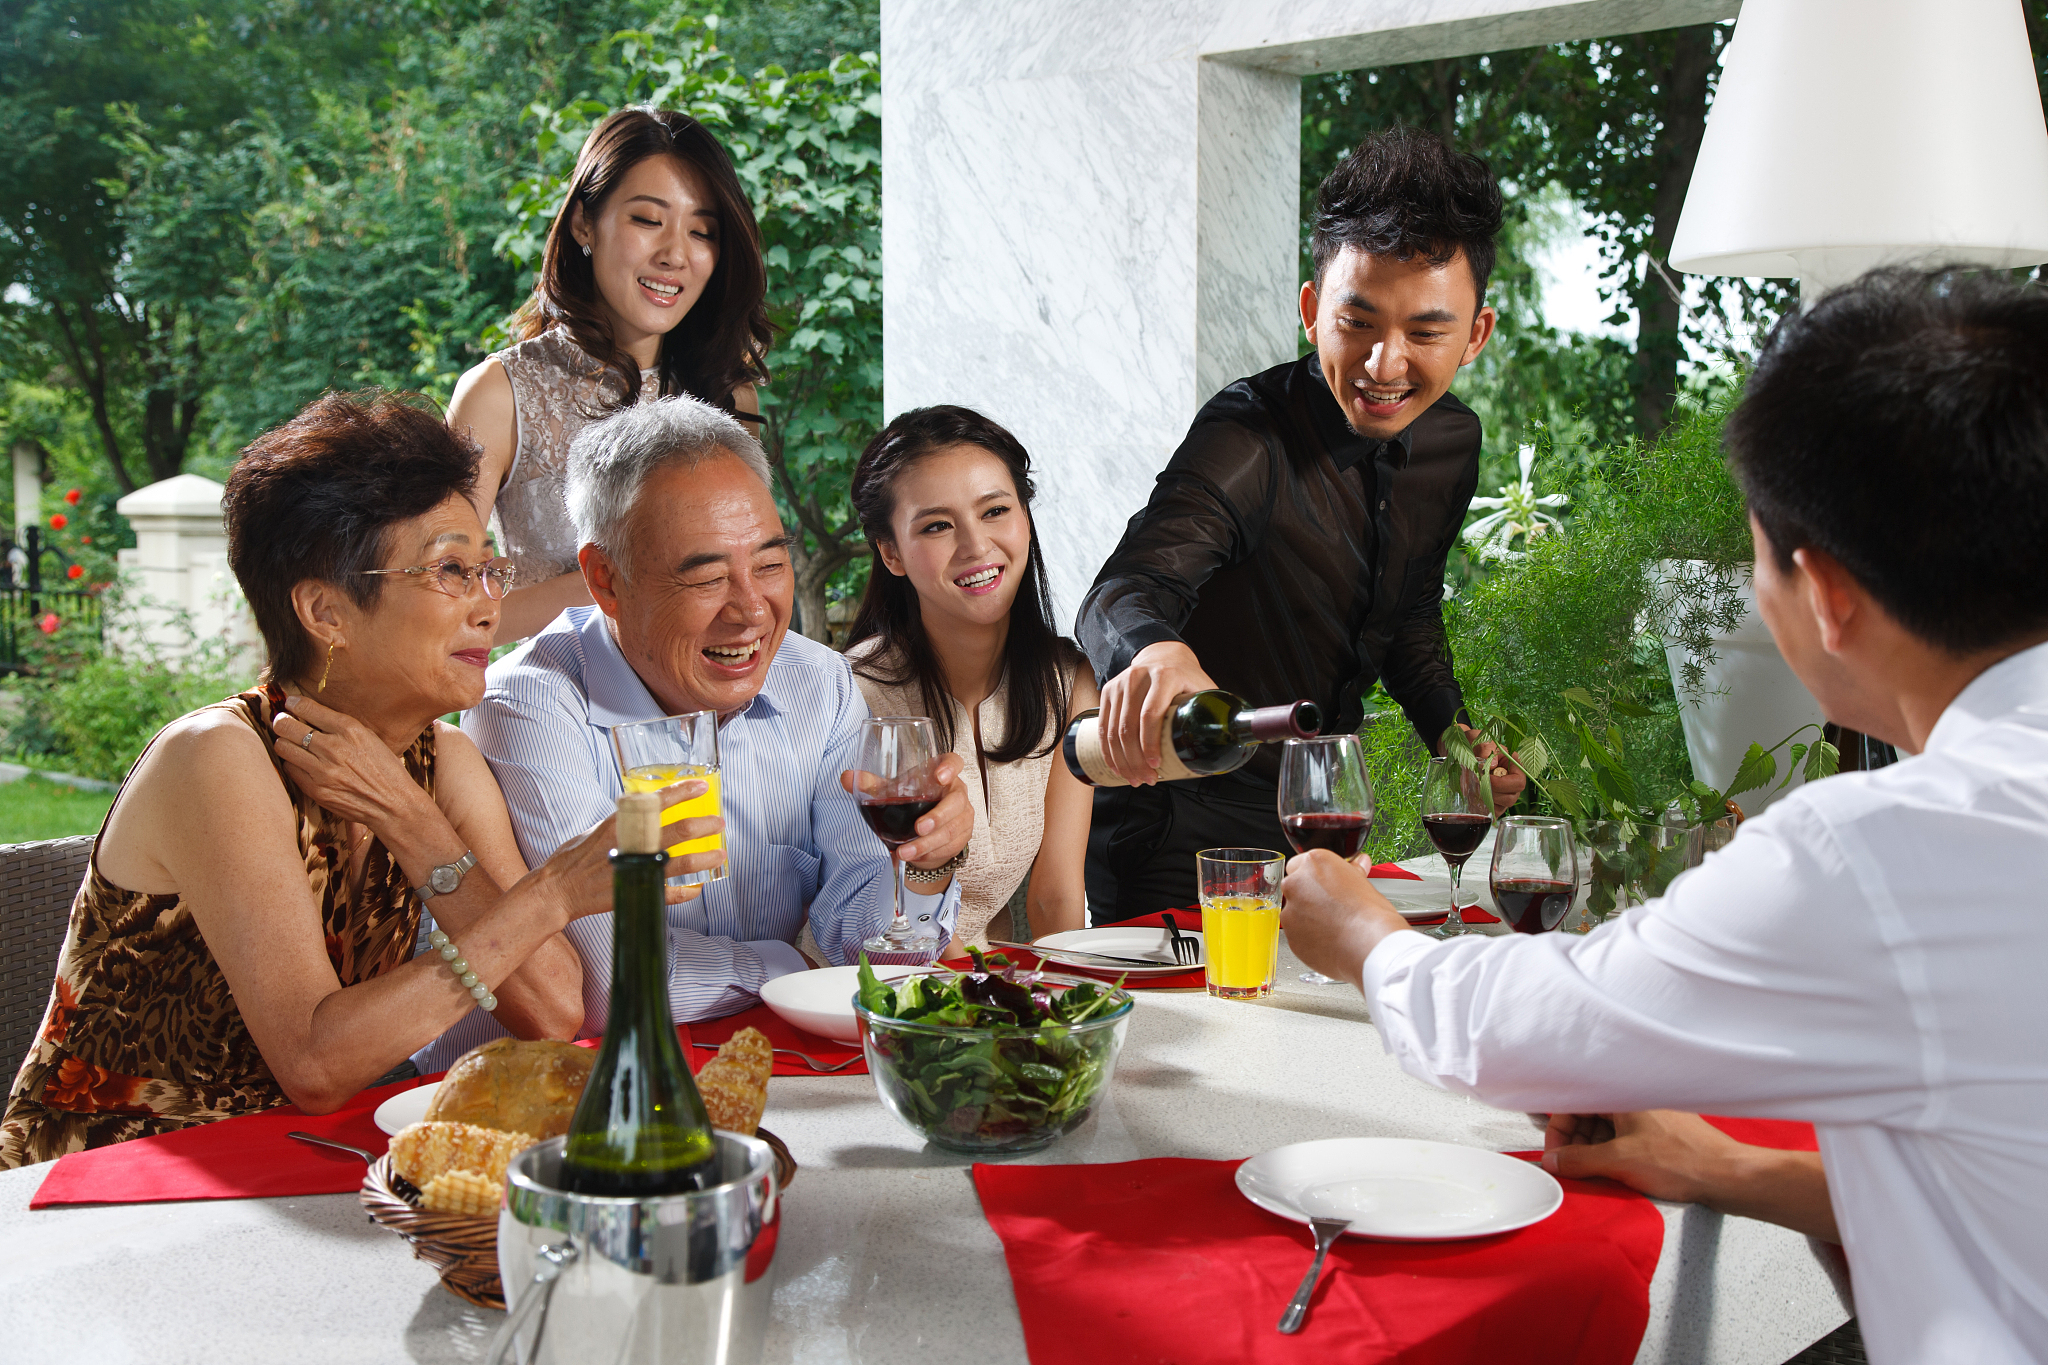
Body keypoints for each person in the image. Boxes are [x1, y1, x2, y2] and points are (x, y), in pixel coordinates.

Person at [1280, 268, 2048, 1364]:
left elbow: (1522, 1029)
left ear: (1823, 595)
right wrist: (1726, 1172)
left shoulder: (1883, 851)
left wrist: (1358, 933)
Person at [0, 393, 713, 1167]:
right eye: (450, 570)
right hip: (104, 1188)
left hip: (295, 1170)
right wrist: (553, 893)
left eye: (488, 568)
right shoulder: (218, 758)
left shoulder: (440, 763)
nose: (489, 605)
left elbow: (549, 1007)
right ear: (325, 611)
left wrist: (414, 821)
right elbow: (314, 1063)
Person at [413, 396, 973, 1071]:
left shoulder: (815, 681)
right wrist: (783, 966)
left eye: (769, 565)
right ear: (605, 580)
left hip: (738, 1063)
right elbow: (608, 983)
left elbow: (862, 942)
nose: (750, 611)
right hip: (534, 1090)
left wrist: (929, 858)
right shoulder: (530, 705)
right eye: (707, 576)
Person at [1075, 126, 1523, 920]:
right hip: (1181, 847)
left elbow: (1409, 618)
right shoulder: (1249, 435)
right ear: (1313, 311)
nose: (1386, 364)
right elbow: (1122, 592)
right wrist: (1157, 652)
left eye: (1425, 332)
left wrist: (1459, 742)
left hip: (1324, 837)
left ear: (1475, 335)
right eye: (1359, 323)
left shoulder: (1455, 443)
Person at [447, 106, 773, 642]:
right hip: (549, 704)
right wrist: (612, 585)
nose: (674, 254)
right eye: (647, 220)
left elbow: (748, 585)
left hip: (702, 707)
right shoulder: (499, 395)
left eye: (702, 231)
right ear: (583, 223)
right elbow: (442, 603)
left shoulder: (728, 396)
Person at [842, 406, 1096, 954]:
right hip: (878, 993)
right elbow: (892, 916)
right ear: (891, 553)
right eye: (937, 525)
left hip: (991, 989)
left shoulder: (1068, 682)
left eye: (995, 511)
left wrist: (1079, 1010)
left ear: (1025, 519)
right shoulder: (853, 696)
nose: (976, 546)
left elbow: (1055, 900)